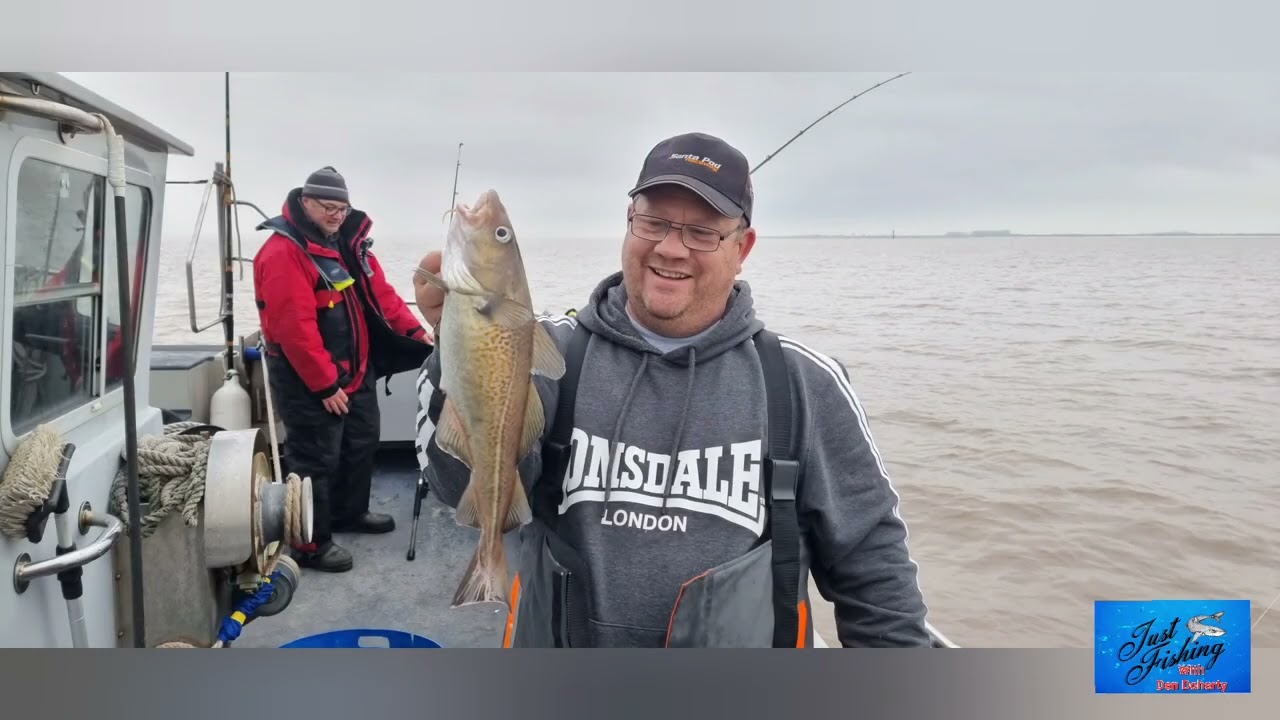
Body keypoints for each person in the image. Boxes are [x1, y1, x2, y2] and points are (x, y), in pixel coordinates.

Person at [412, 133, 931, 646]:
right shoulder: (549, 354)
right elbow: (458, 487)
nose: (670, 247)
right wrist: (453, 350)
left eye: (702, 232)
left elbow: (875, 572)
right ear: (629, 222)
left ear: (743, 247)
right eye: (653, 222)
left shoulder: (804, 384)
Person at [253, 166, 433, 572]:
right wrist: (324, 385)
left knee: (361, 442)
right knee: (314, 459)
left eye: (342, 208)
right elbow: (294, 328)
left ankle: (350, 513)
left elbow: (382, 296)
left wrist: (414, 331)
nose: (336, 215)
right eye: (327, 207)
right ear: (305, 203)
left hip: (355, 371)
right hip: (307, 378)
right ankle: (310, 544)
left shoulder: (348, 246)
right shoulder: (284, 252)